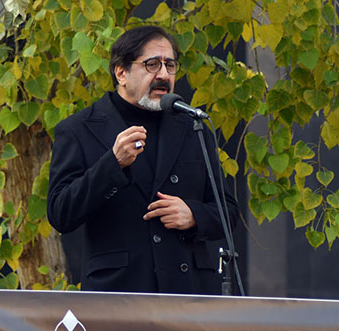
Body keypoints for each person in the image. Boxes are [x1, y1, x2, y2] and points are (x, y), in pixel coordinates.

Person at [47, 25, 238, 294]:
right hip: (120, 293)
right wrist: (113, 164)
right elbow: (60, 213)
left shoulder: (193, 127)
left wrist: (194, 214)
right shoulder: (79, 129)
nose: (164, 74)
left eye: (170, 65)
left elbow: (228, 212)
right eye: (152, 64)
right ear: (121, 73)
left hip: (187, 293)